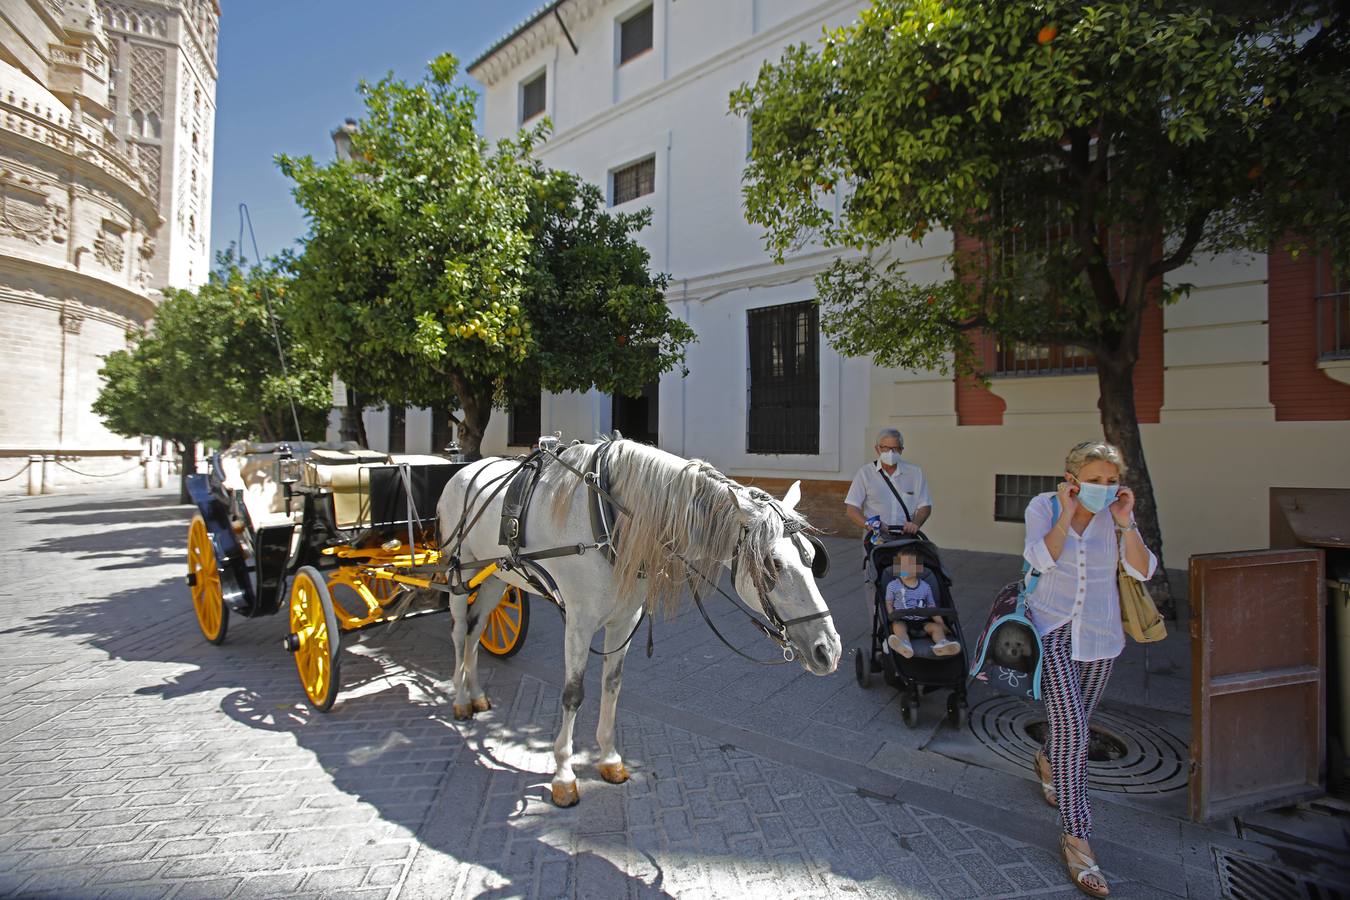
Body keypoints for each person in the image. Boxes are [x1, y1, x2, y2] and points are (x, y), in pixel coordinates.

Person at [1022, 440, 1156, 899]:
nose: (1104, 488)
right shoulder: (1042, 505)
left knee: (1070, 725)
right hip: (1054, 628)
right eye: (1095, 480)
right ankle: (1077, 836)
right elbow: (1039, 559)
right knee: (1076, 732)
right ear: (1072, 477)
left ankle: (1045, 758)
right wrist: (1068, 513)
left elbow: (1142, 572)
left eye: (1111, 480)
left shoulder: (1117, 517)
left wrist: (1126, 524)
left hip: (1101, 637)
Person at [844, 428, 931, 543]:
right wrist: (870, 525)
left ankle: (906, 561)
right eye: (885, 448)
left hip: (906, 538)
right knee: (878, 560)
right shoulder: (865, 473)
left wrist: (915, 524)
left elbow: (925, 506)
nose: (890, 452)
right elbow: (852, 509)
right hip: (876, 538)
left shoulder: (915, 473)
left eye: (895, 448)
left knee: (909, 562)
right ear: (877, 449)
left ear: (901, 450)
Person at [884, 551, 960, 658]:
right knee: (898, 627)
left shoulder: (925, 587)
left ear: (918, 568)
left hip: (923, 621)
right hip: (903, 619)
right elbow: (889, 602)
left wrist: (941, 623)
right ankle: (904, 645)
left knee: (936, 628)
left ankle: (942, 644)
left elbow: (931, 607)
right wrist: (892, 616)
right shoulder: (893, 586)